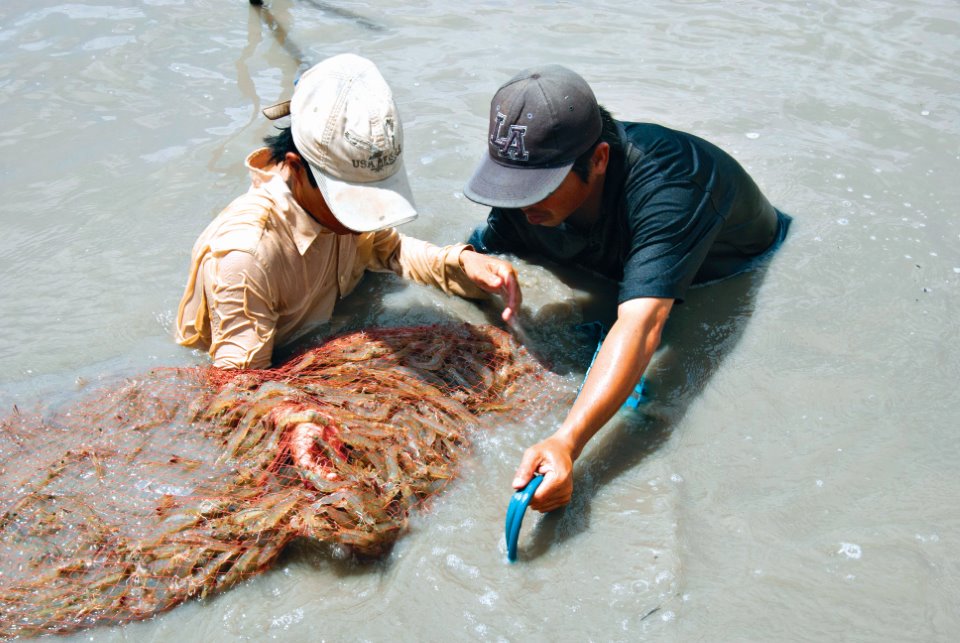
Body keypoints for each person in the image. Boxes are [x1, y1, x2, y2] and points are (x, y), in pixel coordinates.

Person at [464, 64, 791, 512]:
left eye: (537, 188)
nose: (521, 204)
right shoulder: (528, 203)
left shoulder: (673, 185)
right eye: (511, 187)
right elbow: (482, 250)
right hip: (613, 265)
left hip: (719, 273)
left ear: (599, 159)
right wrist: (466, 259)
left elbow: (641, 324)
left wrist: (567, 442)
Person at [176, 53, 521, 370]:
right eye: (353, 200)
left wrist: (462, 264)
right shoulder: (247, 259)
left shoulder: (332, 209)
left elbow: (390, 250)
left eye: (375, 193)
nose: (367, 214)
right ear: (296, 169)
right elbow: (238, 386)